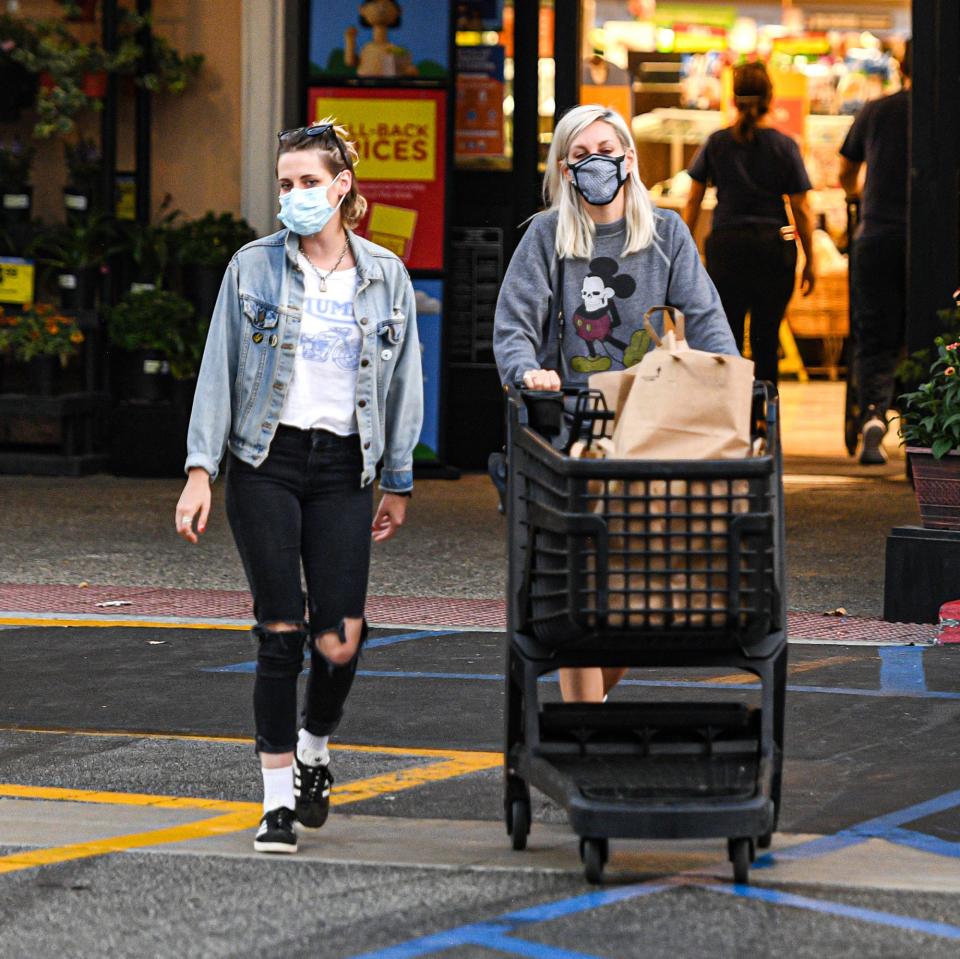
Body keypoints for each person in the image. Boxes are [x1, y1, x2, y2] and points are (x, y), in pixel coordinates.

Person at [175, 120, 423, 854]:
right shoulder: (252, 267)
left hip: (346, 465)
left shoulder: (385, 276)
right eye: (285, 184)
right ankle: (276, 800)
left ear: (342, 187)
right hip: (265, 462)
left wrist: (399, 479)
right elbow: (217, 369)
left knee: (340, 639)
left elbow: (406, 381)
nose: (294, 196)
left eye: (309, 182)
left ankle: (316, 746)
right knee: (281, 627)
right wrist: (199, 471)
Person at [493, 104, 737, 703]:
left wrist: (733, 387)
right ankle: (585, 723)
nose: (594, 162)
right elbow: (514, 327)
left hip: (651, 432)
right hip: (572, 434)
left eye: (605, 149)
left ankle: (591, 711)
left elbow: (705, 320)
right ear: (564, 169)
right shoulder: (547, 235)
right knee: (579, 584)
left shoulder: (668, 234)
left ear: (628, 158)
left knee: (638, 589)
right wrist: (529, 373)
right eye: (579, 155)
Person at [683, 61, 816, 388]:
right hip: (773, 248)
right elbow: (801, 208)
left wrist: (685, 249)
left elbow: (693, 200)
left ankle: (733, 419)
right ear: (771, 98)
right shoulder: (785, 146)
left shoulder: (717, 143)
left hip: (727, 247)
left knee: (726, 337)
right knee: (766, 339)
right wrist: (809, 259)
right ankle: (765, 423)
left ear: (733, 98)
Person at [838, 41, 911, 465]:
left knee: (874, 333)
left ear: (900, 67)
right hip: (929, 241)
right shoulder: (945, 113)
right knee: (929, 335)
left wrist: (865, 199)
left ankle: (872, 416)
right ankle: (924, 422)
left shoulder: (876, 110)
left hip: (876, 235)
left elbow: (845, 170)